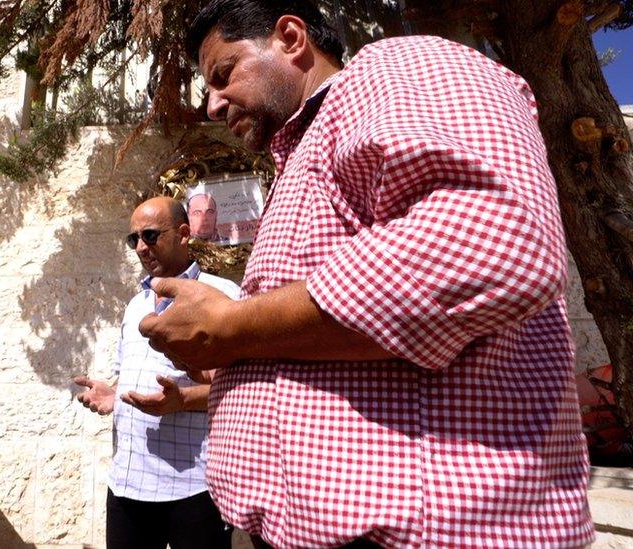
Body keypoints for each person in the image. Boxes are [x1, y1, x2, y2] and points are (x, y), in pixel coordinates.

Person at [138, 1, 595, 548]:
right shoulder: (306, 153)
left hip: (431, 534)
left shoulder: (396, 67)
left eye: (222, 74)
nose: (211, 105)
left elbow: (492, 243)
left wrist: (232, 328)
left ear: (290, 37)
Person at [74, 196, 240, 549]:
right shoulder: (136, 305)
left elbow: (241, 392)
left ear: (183, 233)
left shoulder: (224, 296)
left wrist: (182, 401)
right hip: (127, 485)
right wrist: (113, 393)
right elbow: (128, 375)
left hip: (194, 486)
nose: (140, 247)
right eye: (132, 239)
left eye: (150, 235)